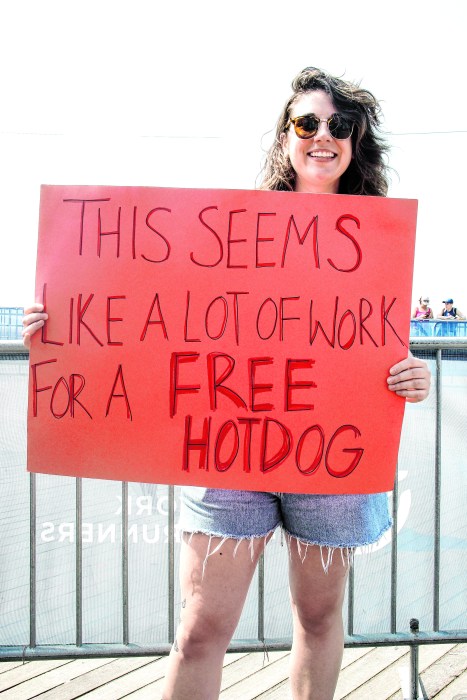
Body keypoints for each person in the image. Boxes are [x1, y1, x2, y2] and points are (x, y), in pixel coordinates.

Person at [22, 67, 431, 700]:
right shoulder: (228, 229)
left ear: (357, 141)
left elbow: (375, 344)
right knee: (201, 627)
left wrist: (411, 377)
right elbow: (143, 308)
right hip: (229, 449)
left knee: (317, 618)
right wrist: (63, 329)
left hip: (332, 453)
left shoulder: (379, 236)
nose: (324, 136)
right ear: (285, 136)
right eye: (308, 123)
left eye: (340, 125)